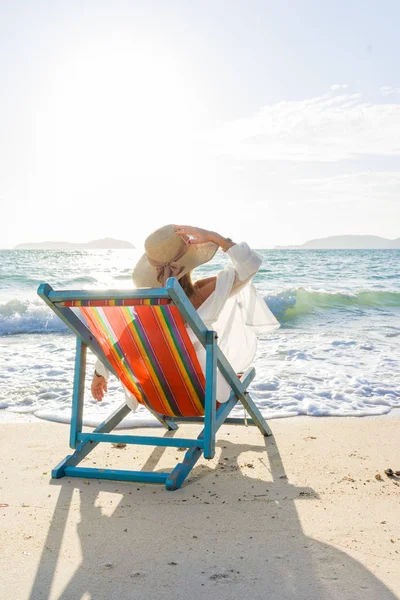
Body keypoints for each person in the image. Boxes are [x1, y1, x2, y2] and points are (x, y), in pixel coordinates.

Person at [91, 224, 280, 409]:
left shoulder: (145, 307)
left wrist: (99, 374)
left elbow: (120, 344)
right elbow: (250, 266)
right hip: (203, 397)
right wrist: (216, 238)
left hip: (157, 398)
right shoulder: (202, 295)